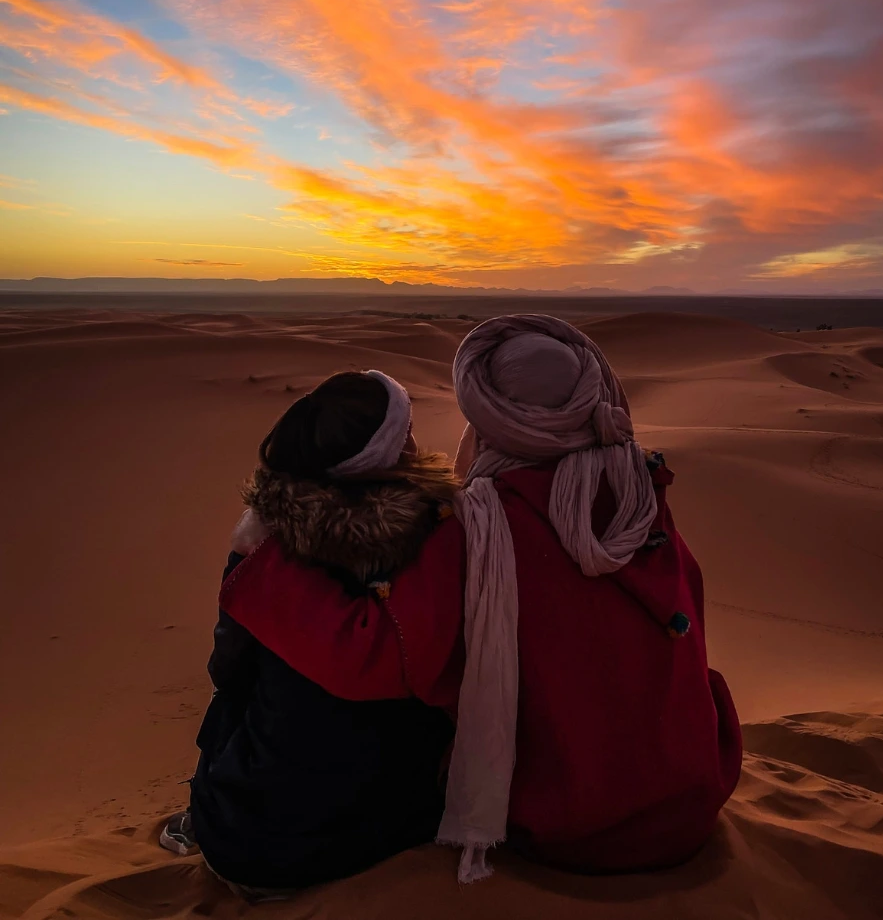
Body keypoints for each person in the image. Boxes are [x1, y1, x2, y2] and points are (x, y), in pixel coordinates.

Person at [221, 316, 742, 884]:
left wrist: (266, 563)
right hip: (690, 805)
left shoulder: (480, 528)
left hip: (574, 828)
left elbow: (377, 657)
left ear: (497, 423)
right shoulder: (640, 497)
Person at [161, 371, 459, 898]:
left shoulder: (260, 542)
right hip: (382, 830)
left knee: (239, 692)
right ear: (387, 452)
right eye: (405, 431)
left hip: (245, 841)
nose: (414, 440)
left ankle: (207, 814)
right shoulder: (433, 532)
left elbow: (226, 668)